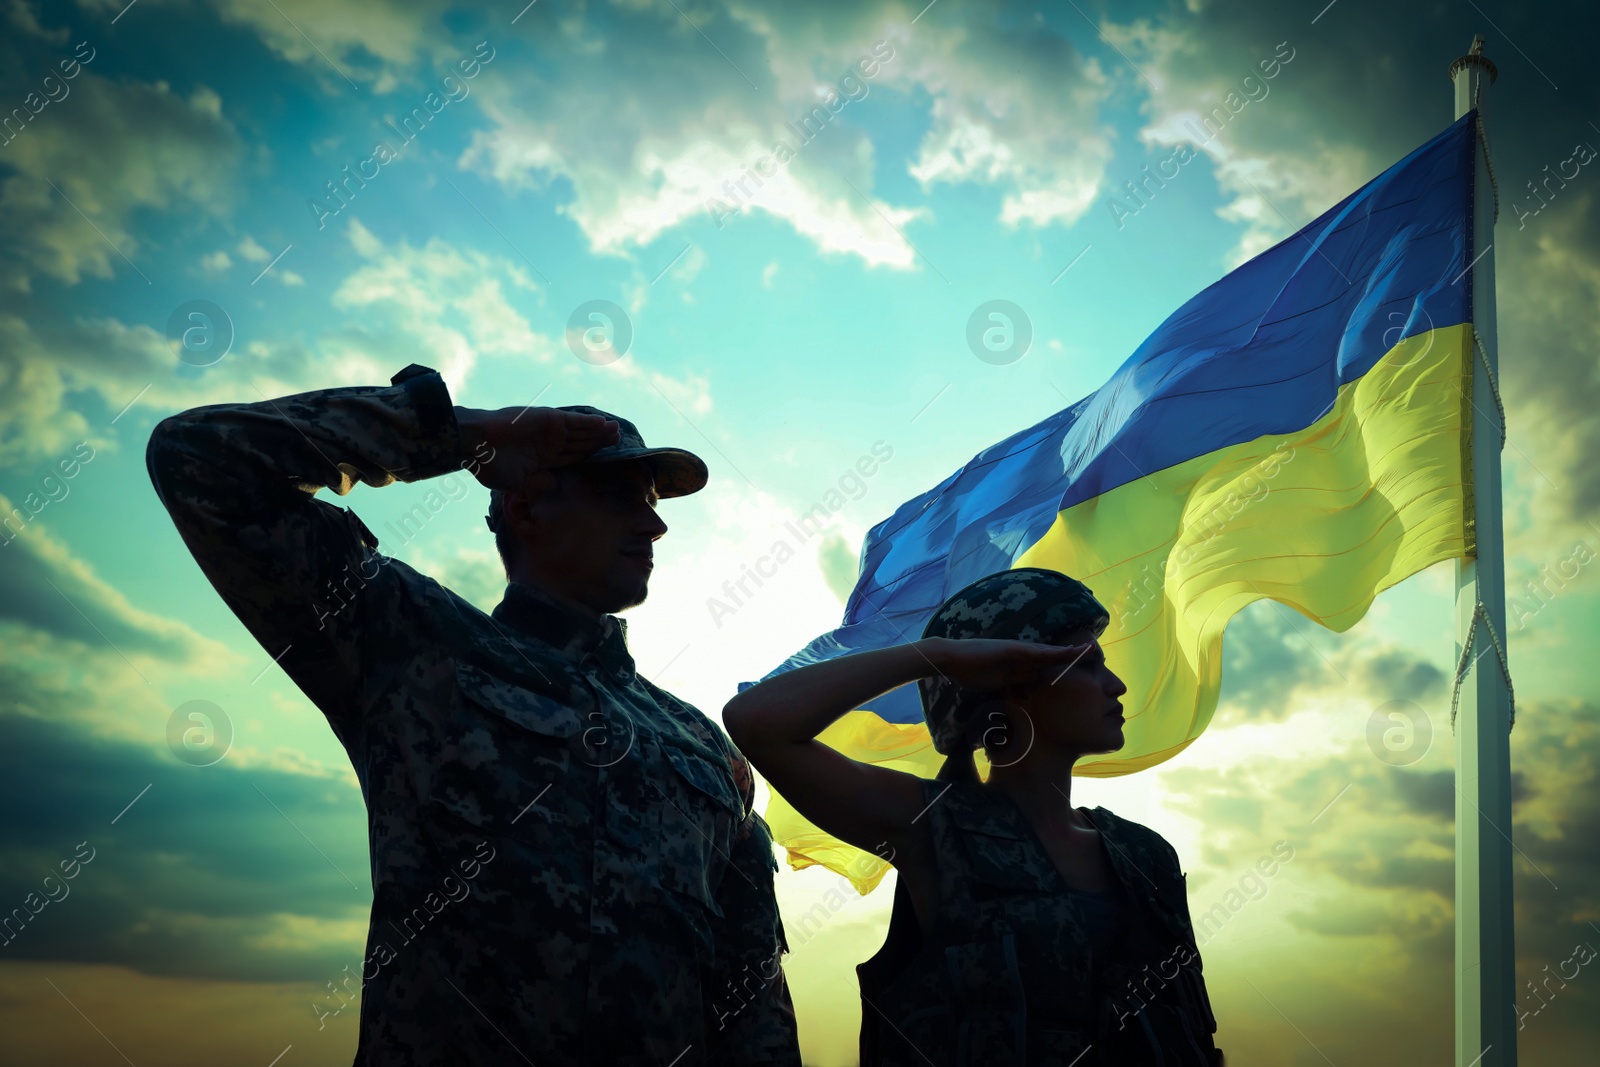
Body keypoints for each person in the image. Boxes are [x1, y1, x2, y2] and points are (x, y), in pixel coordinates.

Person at [146, 363, 800, 1066]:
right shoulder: (412, 641)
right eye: (619, 495)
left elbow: (750, 988)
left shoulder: (701, 743)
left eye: (651, 501)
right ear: (525, 508)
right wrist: (463, 432)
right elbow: (199, 458)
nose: (655, 522)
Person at [723, 568, 1223, 1065]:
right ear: (1010, 684)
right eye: (1086, 666)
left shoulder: (1144, 853)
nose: (1115, 685)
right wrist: (936, 657)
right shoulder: (933, 825)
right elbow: (756, 723)